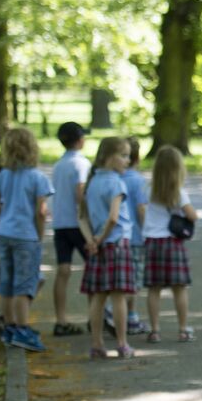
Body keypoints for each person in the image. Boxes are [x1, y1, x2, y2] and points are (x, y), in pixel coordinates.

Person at [0, 127, 53, 352]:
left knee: (7, 282)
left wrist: (3, 216)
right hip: (26, 236)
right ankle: (23, 329)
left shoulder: (4, 175)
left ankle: (10, 327)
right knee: (24, 285)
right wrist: (40, 234)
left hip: (5, 234)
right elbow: (41, 211)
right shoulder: (37, 178)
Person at [80, 136, 137, 360]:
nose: (127, 160)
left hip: (98, 245)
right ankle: (122, 344)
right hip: (116, 243)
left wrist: (91, 240)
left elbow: (81, 217)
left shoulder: (92, 181)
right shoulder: (116, 183)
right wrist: (102, 238)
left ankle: (96, 344)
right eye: (123, 156)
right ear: (109, 157)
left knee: (98, 296)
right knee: (118, 297)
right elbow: (113, 218)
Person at [143, 145, 197, 343]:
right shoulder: (179, 192)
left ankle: (155, 330)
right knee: (179, 287)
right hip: (172, 243)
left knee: (154, 288)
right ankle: (182, 328)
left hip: (152, 242)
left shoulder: (149, 190)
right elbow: (192, 215)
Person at [50, 122, 92, 336]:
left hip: (60, 223)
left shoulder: (58, 165)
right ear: (79, 140)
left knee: (63, 271)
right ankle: (95, 317)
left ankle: (61, 319)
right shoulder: (81, 164)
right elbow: (81, 193)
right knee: (94, 268)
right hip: (78, 224)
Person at [119, 136, 150, 336]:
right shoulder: (138, 181)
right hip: (136, 237)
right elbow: (141, 209)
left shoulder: (115, 177)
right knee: (133, 281)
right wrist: (147, 231)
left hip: (117, 238)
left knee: (120, 278)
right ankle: (130, 316)